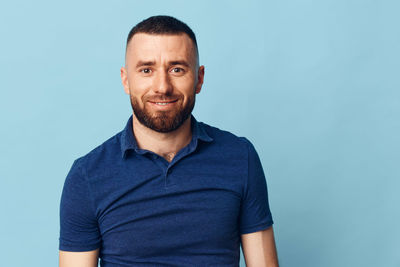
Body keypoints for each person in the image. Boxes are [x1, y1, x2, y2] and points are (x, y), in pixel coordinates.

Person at [59, 15, 279, 267]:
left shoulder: (241, 158)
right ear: (126, 80)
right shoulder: (86, 176)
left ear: (199, 78)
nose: (162, 86)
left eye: (177, 69)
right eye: (146, 70)